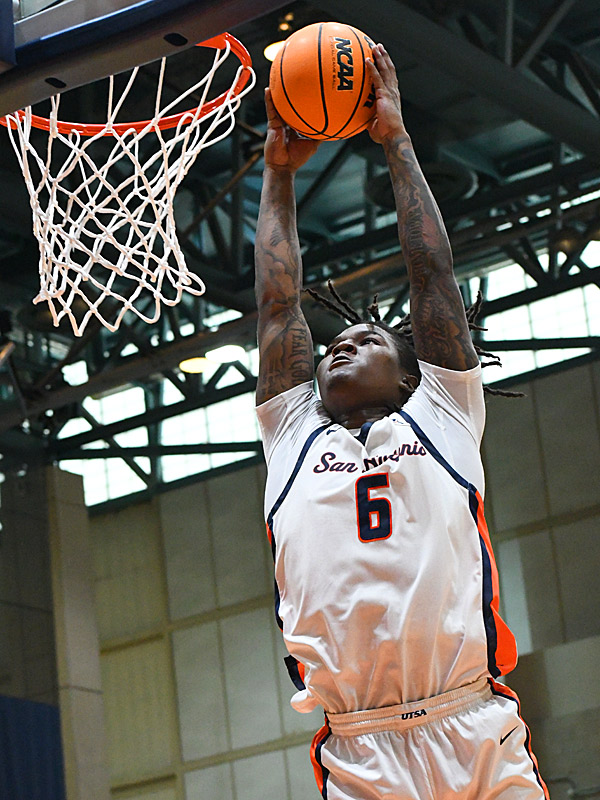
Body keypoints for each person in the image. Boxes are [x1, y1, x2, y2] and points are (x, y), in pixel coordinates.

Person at [254, 42, 549, 800]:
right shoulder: (292, 434)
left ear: (414, 374)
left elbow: (432, 273)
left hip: (473, 727)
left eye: (368, 340)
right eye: (335, 344)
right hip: (361, 751)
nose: (341, 344)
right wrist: (278, 175)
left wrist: (397, 142)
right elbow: (279, 307)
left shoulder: (443, 414)